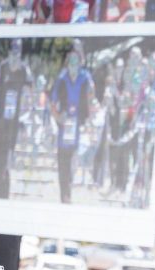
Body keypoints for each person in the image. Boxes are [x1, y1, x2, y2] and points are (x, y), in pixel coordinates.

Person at [0, 38, 33, 199]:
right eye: (13, 50)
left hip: (15, 123)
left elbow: (29, 93)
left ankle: (5, 195)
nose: (15, 54)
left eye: (17, 51)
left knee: (8, 159)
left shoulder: (25, 70)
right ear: (9, 51)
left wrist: (25, 117)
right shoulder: (3, 67)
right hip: (1, 122)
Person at [49, 38, 94, 203]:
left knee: (73, 163)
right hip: (64, 127)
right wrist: (58, 116)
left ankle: (69, 192)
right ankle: (64, 196)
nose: (74, 59)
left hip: (79, 127)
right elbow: (52, 103)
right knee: (63, 164)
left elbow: (91, 100)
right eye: (72, 56)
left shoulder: (86, 78)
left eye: (78, 55)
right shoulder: (61, 79)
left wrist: (88, 122)